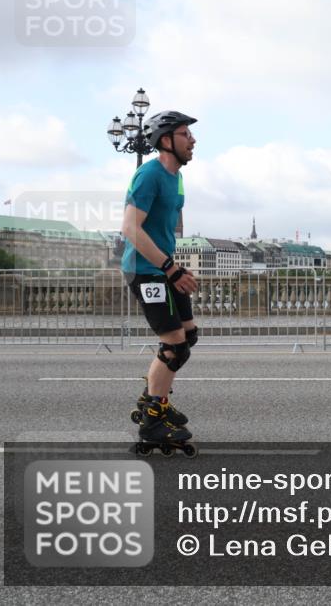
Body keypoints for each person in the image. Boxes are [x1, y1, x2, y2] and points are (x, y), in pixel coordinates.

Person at [121, 111, 200, 449]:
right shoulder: (149, 174)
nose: (193, 140)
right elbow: (130, 228)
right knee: (174, 343)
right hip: (146, 270)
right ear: (166, 140)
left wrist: (175, 265)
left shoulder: (176, 177)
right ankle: (153, 421)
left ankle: (154, 399)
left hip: (164, 267)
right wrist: (171, 268)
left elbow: (162, 229)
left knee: (188, 336)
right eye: (185, 134)